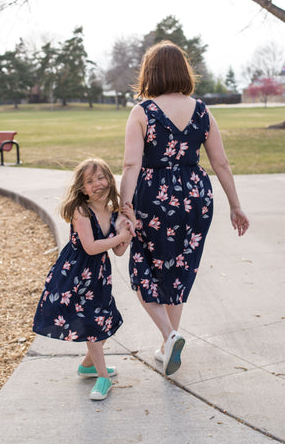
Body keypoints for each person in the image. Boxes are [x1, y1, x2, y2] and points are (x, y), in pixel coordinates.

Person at [120, 40, 249, 377]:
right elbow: (220, 163)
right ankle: (168, 347)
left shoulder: (142, 112)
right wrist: (236, 206)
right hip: (195, 197)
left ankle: (169, 336)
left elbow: (131, 165)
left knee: (143, 271)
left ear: (150, 72)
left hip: (154, 198)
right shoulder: (203, 110)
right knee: (178, 271)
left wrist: (125, 206)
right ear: (183, 70)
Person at [33, 158, 134, 401]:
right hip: (75, 276)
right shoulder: (81, 211)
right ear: (82, 189)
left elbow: (118, 251)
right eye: (90, 181)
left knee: (106, 321)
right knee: (92, 325)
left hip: (98, 277)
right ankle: (102, 377)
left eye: (101, 178)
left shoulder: (112, 214)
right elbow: (90, 247)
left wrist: (127, 232)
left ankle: (88, 366)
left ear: (110, 179)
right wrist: (119, 235)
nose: (98, 184)